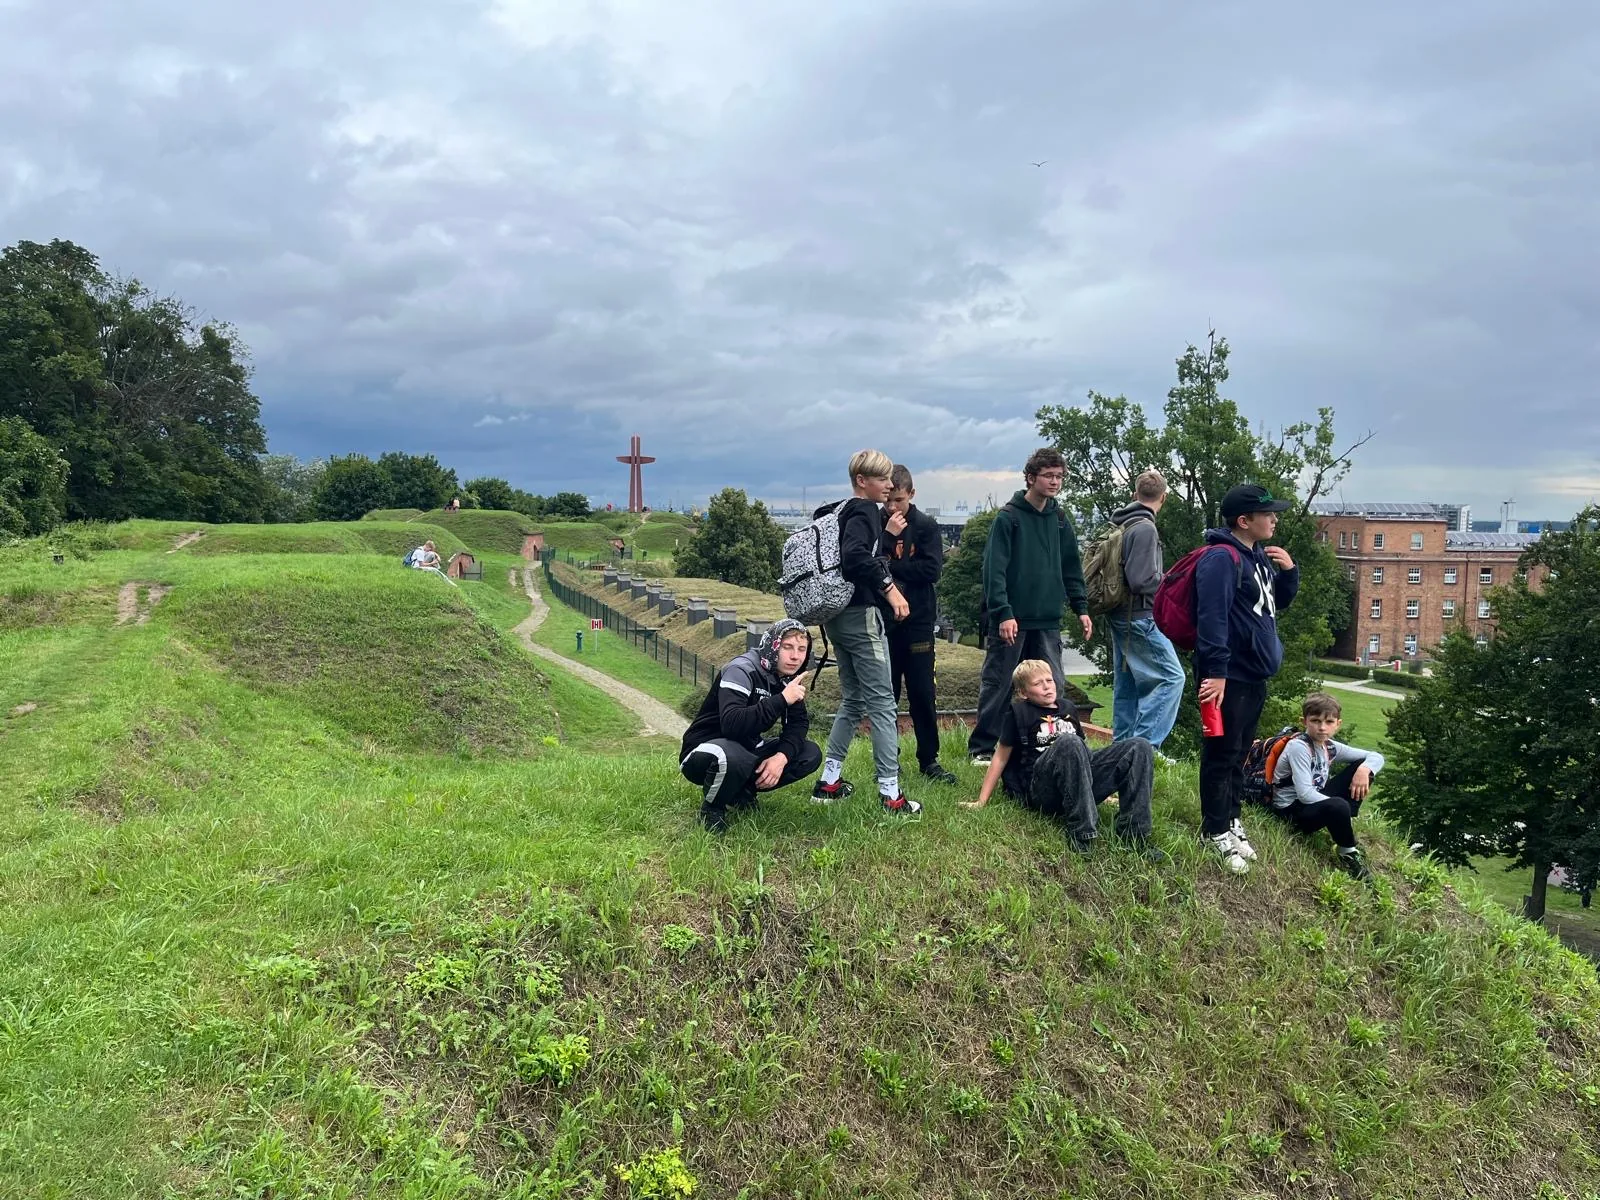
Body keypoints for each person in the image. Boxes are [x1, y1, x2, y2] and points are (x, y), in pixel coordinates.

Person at [1195, 483, 1299, 874]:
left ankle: (1231, 818)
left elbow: (1272, 605)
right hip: (1227, 676)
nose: (1274, 520)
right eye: (1268, 514)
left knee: (1239, 752)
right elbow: (1212, 619)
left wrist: (1289, 573)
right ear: (1244, 520)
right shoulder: (1221, 559)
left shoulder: (1256, 556)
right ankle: (1214, 830)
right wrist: (1216, 673)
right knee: (1221, 754)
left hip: (1253, 673)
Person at [810, 449, 921, 815]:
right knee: (883, 704)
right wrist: (891, 590)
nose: (889, 485)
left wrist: (885, 540)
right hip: (861, 617)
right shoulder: (865, 510)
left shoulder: (838, 510)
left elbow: (856, 556)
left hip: (836, 616)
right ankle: (891, 794)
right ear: (862, 480)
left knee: (854, 699)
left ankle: (829, 781)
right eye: (882, 478)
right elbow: (856, 557)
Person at [961, 660, 1163, 860]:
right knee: (1069, 742)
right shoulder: (1017, 714)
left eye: (1049, 680)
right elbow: (1000, 758)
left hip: (1076, 779)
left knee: (1140, 746)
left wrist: (1103, 790)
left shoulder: (1068, 708)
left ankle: (1135, 836)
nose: (1047, 686)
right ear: (1023, 693)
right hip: (1043, 789)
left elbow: (1084, 755)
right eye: (1037, 683)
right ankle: (1082, 833)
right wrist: (981, 800)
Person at [967, 447, 1092, 766]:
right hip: (1013, 619)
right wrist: (1003, 612)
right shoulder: (1008, 518)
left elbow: (1071, 567)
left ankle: (1049, 742)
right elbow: (994, 571)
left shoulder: (1060, 520)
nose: (1055, 482)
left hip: (1047, 619)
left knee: (1052, 684)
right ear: (1031, 477)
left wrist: (1081, 607)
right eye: (1048, 475)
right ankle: (983, 748)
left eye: (1060, 476)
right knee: (999, 683)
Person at [680, 618, 822, 833]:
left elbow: (798, 724)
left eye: (802, 649)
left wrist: (781, 757)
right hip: (704, 749)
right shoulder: (741, 669)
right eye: (787, 647)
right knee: (735, 755)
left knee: (809, 753)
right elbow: (732, 724)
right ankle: (712, 809)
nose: (795, 656)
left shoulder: (787, 677)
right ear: (772, 645)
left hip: (747, 748)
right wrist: (782, 699)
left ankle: (741, 794)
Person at [883, 465, 956, 784]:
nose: (892, 507)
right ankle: (888, 760)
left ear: (911, 494)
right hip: (884, 621)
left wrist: (891, 568)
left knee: (923, 693)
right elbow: (867, 564)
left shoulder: (925, 525)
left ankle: (929, 759)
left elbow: (931, 570)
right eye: (888, 500)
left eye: (898, 500)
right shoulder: (877, 522)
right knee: (885, 695)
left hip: (919, 620)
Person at [1106, 469, 1185, 752]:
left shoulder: (1122, 523)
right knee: (1173, 678)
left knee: (1127, 684)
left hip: (1119, 613)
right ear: (1164, 497)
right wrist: (1170, 580)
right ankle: (1145, 749)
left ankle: (1121, 748)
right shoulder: (1145, 528)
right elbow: (1141, 580)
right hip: (1140, 616)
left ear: (1134, 495)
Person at [1267, 692, 1384, 880]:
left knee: (1361, 766)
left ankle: (1342, 823)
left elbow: (1376, 756)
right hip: (1291, 811)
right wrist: (1339, 808)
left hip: (1312, 800)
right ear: (1304, 721)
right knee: (1338, 805)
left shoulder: (1329, 746)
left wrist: (1364, 769)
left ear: (1338, 724)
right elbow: (1305, 794)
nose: (1322, 727)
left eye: (1329, 722)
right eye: (1315, 721)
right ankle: (1347, 851)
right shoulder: (1299, 747)